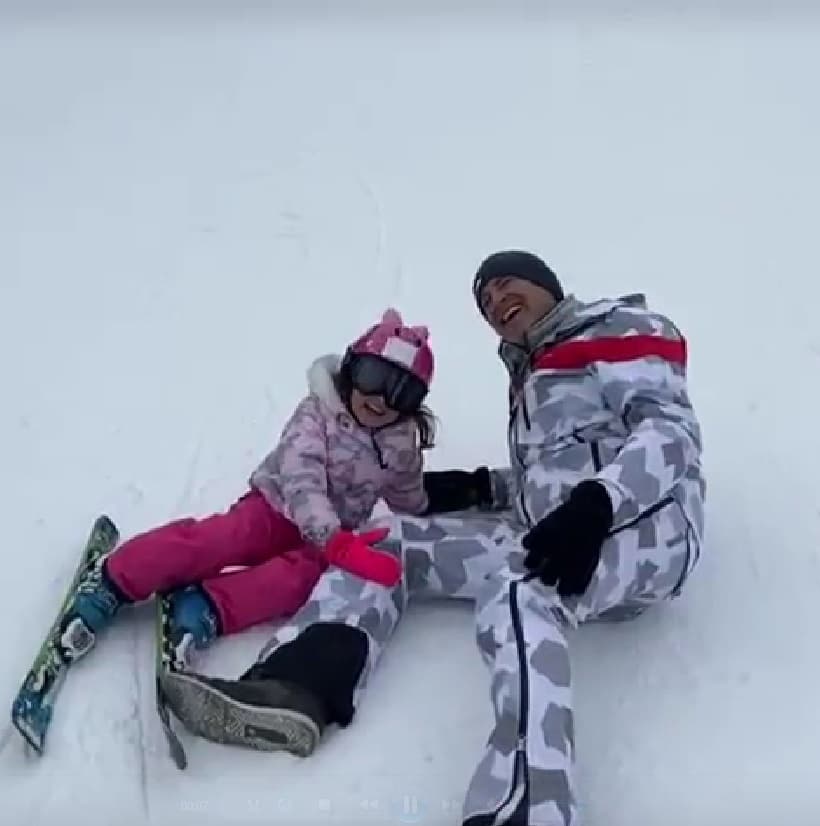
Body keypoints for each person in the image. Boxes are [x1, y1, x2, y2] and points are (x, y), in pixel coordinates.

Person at [161, 251, 705, 825]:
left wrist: (598, 506)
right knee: (386, 542)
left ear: (546, 283)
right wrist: (474, 488)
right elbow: (551, 476)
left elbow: (669, 433)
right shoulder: (532, 370)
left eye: (504, 283)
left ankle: (529, 807)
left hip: (646, 528)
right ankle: (297, 686)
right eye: (485, 301)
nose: (495, 301)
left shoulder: (619, 327)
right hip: (554, 529)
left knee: (520, 593)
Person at [53, 308, 436, 672]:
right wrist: (332, 537)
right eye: (373, 378)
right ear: (353, 369)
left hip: (329, 538)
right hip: (275, 507)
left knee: (298, 581)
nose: (381, 399)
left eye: (401, 392)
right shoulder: (318, 412)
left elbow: (407, 493)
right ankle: (115, 578)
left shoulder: (400, 444)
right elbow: (301, 476)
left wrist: (428, 515)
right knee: (221, 540)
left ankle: (206, 606)